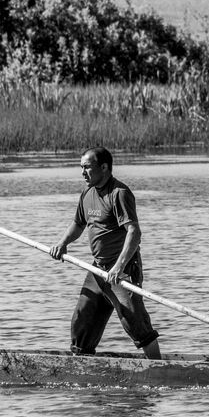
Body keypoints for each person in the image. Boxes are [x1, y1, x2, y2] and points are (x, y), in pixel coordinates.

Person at [49, 147, 162, 359]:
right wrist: (62, 244)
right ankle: (83, 364)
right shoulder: (87, 193)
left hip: (122, 269)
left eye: (87, 167)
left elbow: (134, 232)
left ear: (104, 167)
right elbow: (78, 224)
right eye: (81, 167)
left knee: (134, 321)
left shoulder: (119, 193)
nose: (83, 173)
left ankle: (160, 367)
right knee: (82, 320)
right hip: (97, 270)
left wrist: (119, 267)